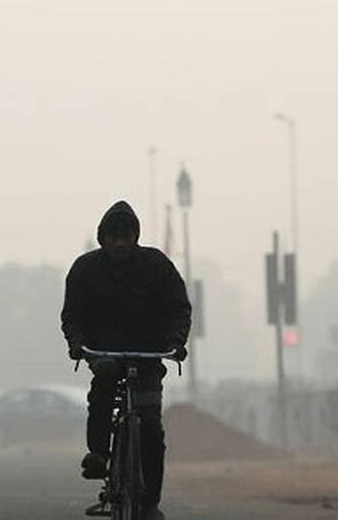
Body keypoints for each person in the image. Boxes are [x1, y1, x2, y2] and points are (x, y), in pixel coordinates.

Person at [61, 200, 191, 520]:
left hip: (148, 355)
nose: (120, 242)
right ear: (102, 238)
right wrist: (77, 343)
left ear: (136, 237)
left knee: (150, 428)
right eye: (114, 236)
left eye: (126, 236)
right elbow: (73, 315)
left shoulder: (157, 266)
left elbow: (178, 308)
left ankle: (150, 503)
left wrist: (176, 343)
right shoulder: (85, 269)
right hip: (104, 352)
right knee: (104, 379)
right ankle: (99, 454)